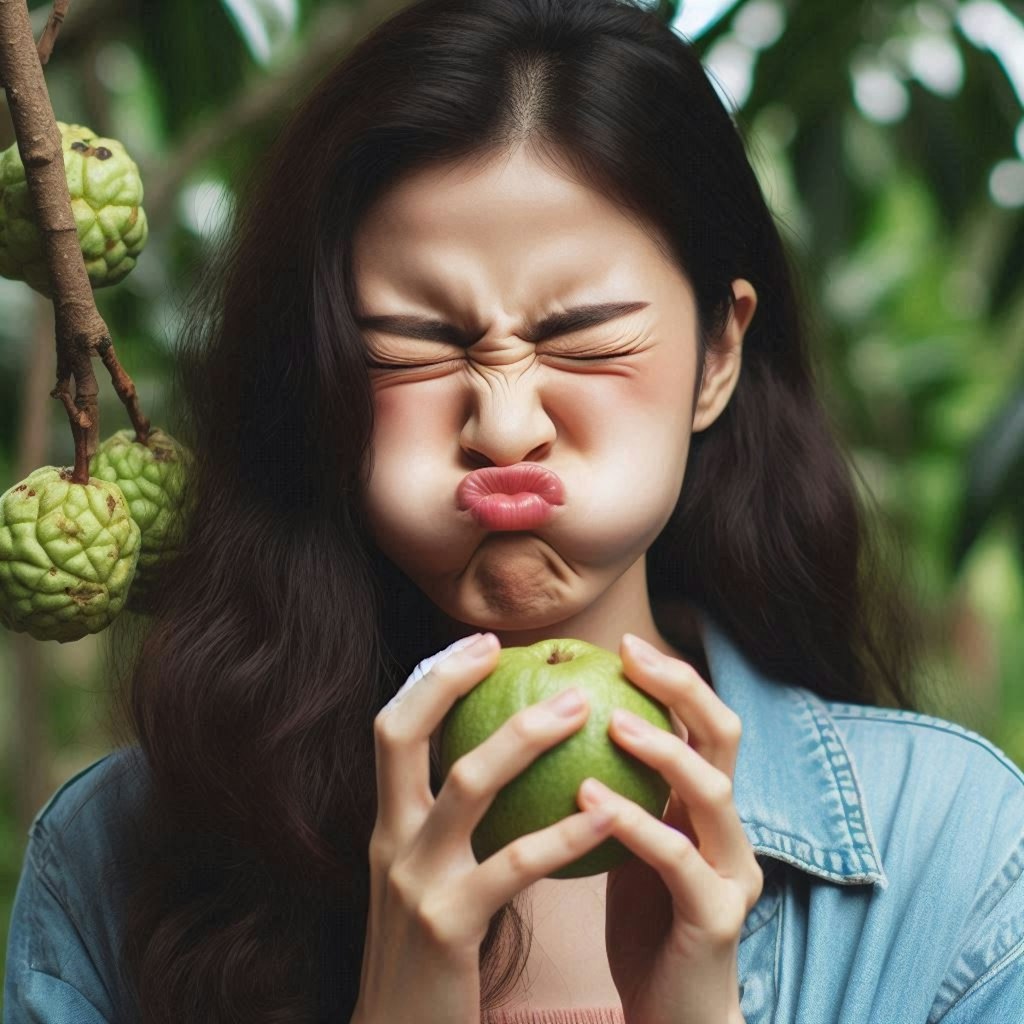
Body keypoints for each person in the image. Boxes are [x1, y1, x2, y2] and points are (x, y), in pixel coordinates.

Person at [4, 0, 1023, 1021]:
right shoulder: (113, 855)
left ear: (719, 353)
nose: (503, 424)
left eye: (583, 337)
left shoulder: (955, 855)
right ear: (320, 372)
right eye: (413, 340)